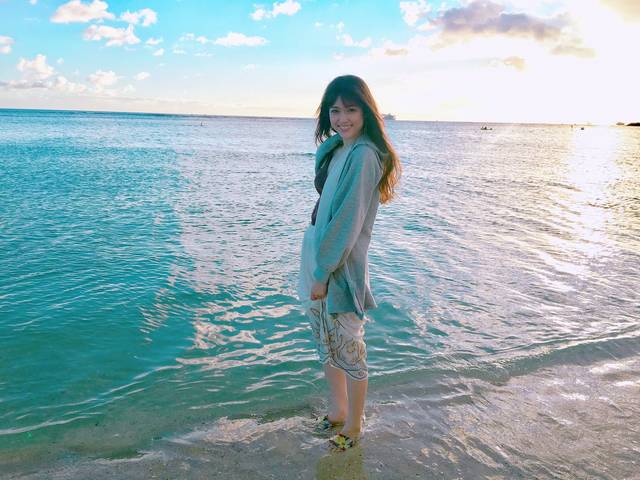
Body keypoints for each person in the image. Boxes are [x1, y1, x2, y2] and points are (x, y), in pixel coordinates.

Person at [297, 75, 401, 451]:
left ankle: (354, 426)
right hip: (318, 252)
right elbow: (326, 201)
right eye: (335, 110)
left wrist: (323, 272)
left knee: (349, 346)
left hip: (338, 266)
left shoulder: (365, 155)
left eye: (351, 109)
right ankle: (338, 410)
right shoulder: (341, 149)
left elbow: (347, 221)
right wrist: (316, 264)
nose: (342, 118)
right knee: (325, 341)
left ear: (366, 111)